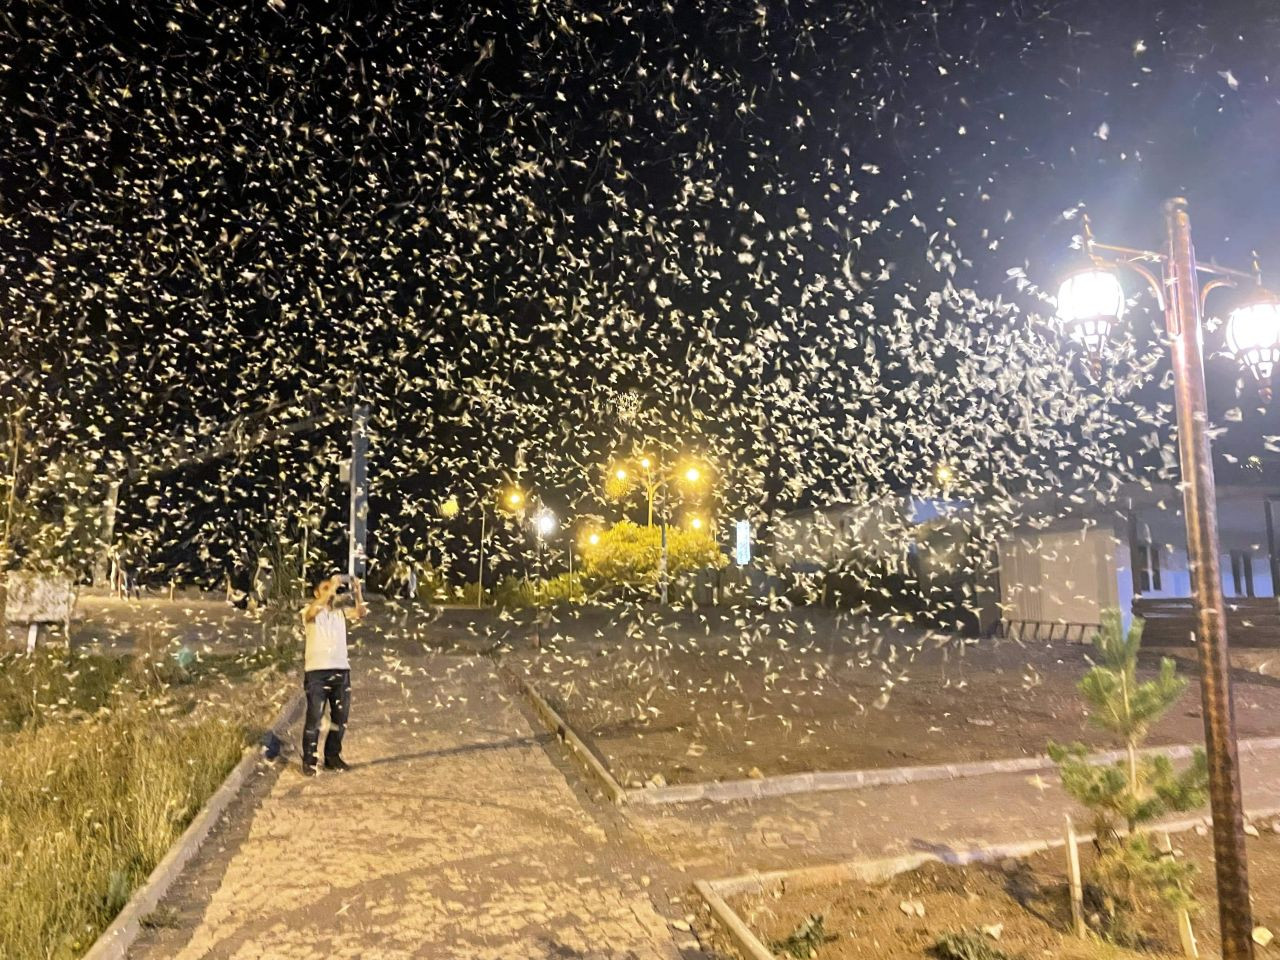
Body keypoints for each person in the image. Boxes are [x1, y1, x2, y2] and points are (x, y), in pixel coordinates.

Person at [300, 573, 366, 776]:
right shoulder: (308, 612)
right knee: (315, 717)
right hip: (317, 672)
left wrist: (357, 591)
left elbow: (361, 613)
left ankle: (332, 757)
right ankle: (310, 760)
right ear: (316, 592)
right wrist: (331, 588)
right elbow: (313, 611)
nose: (332, 590)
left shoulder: (339, 613)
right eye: (326, 586)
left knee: (340, 717)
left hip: (341, 670)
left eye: (333, 587)